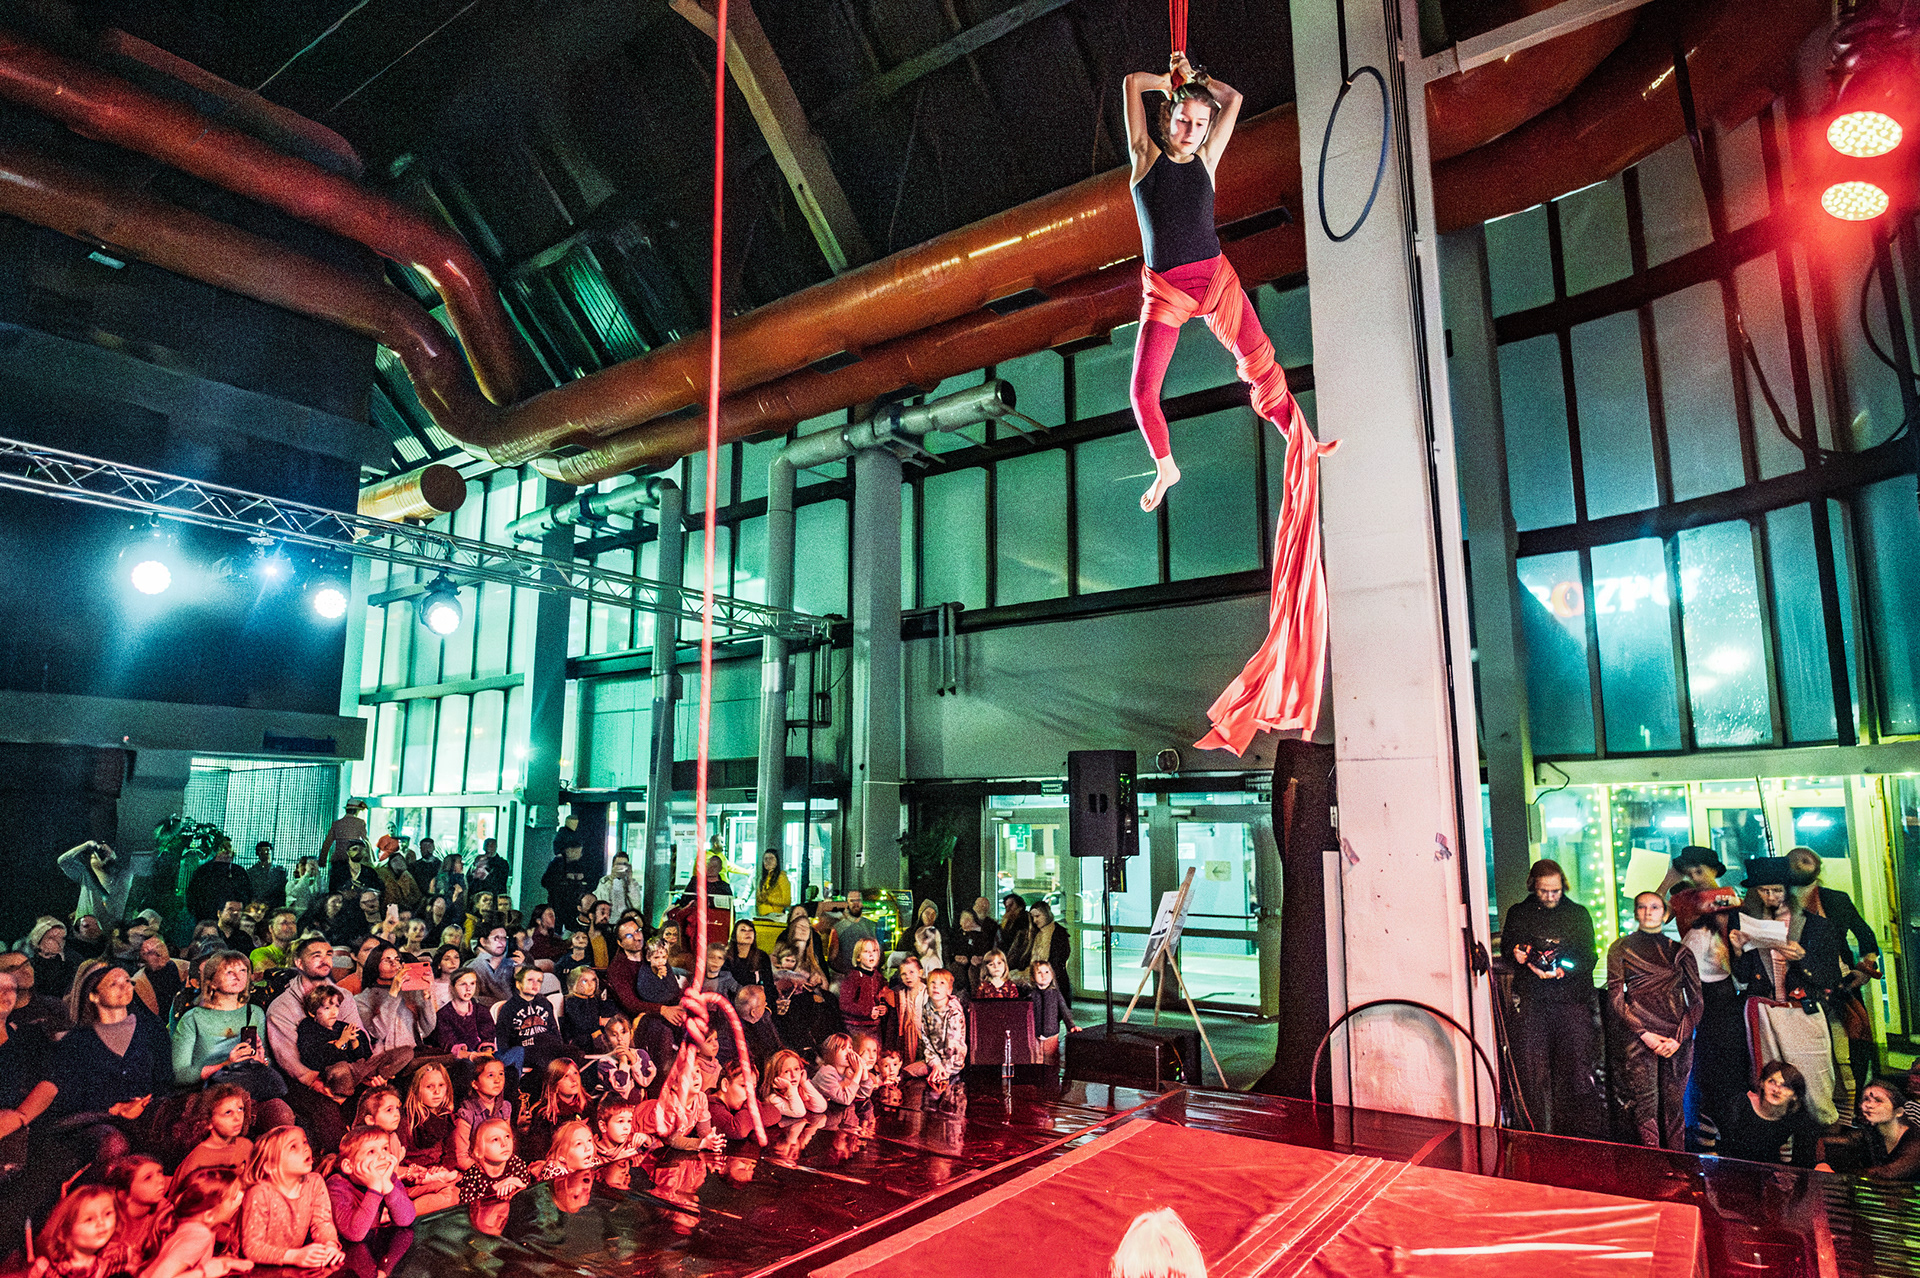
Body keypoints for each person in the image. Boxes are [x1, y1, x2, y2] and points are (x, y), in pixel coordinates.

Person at [1732, 856, 1843, 1126]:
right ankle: (1778, 1137)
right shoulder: (1746, 923)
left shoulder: (1816, 926)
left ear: (1788, 890)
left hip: (1802, 1010)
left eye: (1777, 890)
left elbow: (1832, 976)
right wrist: (1737, 952)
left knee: (1813, 1079)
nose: (1771, 896)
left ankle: (1818, 1136)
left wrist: (1802, 959)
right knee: (1771, 1081)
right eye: (1764, 890)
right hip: (1764, 1010)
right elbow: (1742, 979)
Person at [1500, 859, 1602, 1138]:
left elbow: (1589, 956)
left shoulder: (1577, 914)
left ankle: (1575, 1135)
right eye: (1543, 891)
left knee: (1575, 1071)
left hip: (1571, 1000)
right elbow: (1509, 948)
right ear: (1533, 886)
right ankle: (1538, 1133)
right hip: (1533, 1001)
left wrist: (1563, 970)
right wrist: (1518, 955)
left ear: (1563, 886)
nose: (1550, 896)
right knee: (1533, 1073)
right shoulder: (1519, 913)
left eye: (1555, 891)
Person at [1788, 845, 1882, 1119]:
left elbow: (1866, 936)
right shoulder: (1778, 900)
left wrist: (1866, 968)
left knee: (1853, 1049)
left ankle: (1850, 1116)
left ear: (1818, 865)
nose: (1801, 861)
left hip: (1841, 985)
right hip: (1799, 989)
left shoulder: (1836, 899)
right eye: (1795, 859)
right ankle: (1814, 1115)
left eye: (1806, 858)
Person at [48, 964, 173, 1166]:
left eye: (128, 981)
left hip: (149, 1111)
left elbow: (164, 1078)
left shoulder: (151, 1028)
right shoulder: (77, 1041)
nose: (124, 987)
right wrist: (115, 1109)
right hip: (99, 1119)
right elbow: (68, 1094)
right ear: (94, 996)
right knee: (113, 1143)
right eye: (114, 984)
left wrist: (145, 1103)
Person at [1605, 892, 1701, 1151]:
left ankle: (1677, 1160)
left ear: (1665, 913)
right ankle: (1652, 1161)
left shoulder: (1681, 952)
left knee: (1674, 1103)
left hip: (1675, 1035)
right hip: (1638, 1034)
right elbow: (1616, 998)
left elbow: (1696, 1002)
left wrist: (1678, 1038)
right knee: (1644, 1102)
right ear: (1635, 912)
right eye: (1642, 907)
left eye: (1655, 907)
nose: (1648, 912)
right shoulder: (1620, 948)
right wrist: (1643, 1034)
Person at [173, 952, 293, 1127]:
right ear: (212, 981)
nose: (238, 976)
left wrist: (261, 1060)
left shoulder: (254, 1012)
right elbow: (180, 1074)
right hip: (209, 1096)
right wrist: (226, 1063)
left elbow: (267, 1061)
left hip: (250, 1089)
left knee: (281, 1113)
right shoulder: (193, 1018)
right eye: (229, 972)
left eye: (243, 971)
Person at [236, 1126, 343, 1268]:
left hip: (290, 1268)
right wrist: (293, 1256)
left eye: (304, 1142)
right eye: (293, 1147)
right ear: (271, 1166)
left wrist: (329, 1245)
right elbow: (252, 1247)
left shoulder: (315, 1182)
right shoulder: (260, 1193)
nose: (306, 1148)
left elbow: (322, 1223)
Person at [325, 1126, 418, 1252]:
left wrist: (387, 1185)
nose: (383, 1156)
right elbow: (354, 1234)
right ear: (348, 1166)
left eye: (385, 1148)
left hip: (371, 1247)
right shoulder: (337, 1186)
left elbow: (407, 1219)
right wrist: (374, 1189)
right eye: (371, 1152)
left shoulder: (387, 1179)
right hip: (345, 1253)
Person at [1715, 1060, 1820, 1167]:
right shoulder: (1739, 1106)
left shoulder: (1801, 1123)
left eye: (1786, 1086)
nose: (1777, 1090)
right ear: (1761, 1083)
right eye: (1772, 1082)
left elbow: (1804, 1166)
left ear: (1795, 1096)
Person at [1819, 1077, 1920, 1182]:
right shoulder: (1870, 1132)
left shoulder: (1915, 1139)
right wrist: (1821, 1161)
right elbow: (1839, 1141)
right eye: (1866, 1099)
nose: (1868, 1105)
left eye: (1878, 1101)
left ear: (1898, 1111)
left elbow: (1889, 1172)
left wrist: (1840, 1176)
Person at [57, 840, 135, 931]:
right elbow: (63, 861)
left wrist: (111, 858)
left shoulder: (123, 879)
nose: (100, 855)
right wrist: (86, 845)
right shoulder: (86, 876)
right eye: (94, 856)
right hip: (83, 933)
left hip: (107, 934)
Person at [454, 1117, 529, 1204]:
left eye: (507, 1137)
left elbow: (528, 1198)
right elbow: (470, 1207)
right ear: (479, 1150)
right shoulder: (473, 1176)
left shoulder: (516, 1163)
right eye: (495, 1139)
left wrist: (519, 1185)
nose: (504, 1144)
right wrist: (495, 1188)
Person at [185, 847, 253, 931]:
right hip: (214, 919)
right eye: (224, 849)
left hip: (212, 919)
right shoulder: (204, 871)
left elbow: (192, 896)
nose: (227, 852)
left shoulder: (203, 870)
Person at [920, 968, 968, 1084]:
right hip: (934, 1061)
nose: (936, 986)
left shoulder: (954, 1011)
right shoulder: (926, 1009)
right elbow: (925, 1039)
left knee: (938, 1084)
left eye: (942, 983)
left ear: (949, 990)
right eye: (932, 982)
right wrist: (935, 1063)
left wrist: (944, 1070)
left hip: (952, 1063)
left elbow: (954, 1046)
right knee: (907, 1072)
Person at [1019, 901, 1072, 999]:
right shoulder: (1037, 933)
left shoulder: (1059, 933)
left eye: (1038, 916)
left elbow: (1059, 959)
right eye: (1033, 917)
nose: (1035, 920)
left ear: (1046, 914)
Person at [1030, 959, 1079, 1064]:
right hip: (1034, 1036)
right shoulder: (1031, 995)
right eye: (1039, 972)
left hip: (1051, 1035)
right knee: (1035, 1061)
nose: (1043, 975)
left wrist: (1071, 1026)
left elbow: (1064, 1010)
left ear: (1052, 974)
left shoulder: (1055, 994)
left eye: (1047, 972)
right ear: (1032, 977)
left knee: (1051, 1061)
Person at [321, 801, 370, 894]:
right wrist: (370, 859)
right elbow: (365, 841)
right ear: (356, 811)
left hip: (338, 859)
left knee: (336, 887)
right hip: (354, 859)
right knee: (353, 888)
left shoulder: (337, 824)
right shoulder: (360, 823)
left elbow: (327, 843)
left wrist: (322, 860)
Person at [825, 888, 876, 976]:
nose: (856, 903)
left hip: (867, 975)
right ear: (847, 903)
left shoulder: (871, 925)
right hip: (846, 975)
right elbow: (832, 958)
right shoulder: (838, 928)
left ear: (862, 902)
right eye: (852, 900)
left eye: (858, 900)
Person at [541, 831, 591, 918]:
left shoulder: (579, 865)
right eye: (577, 850)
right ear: (569, 850)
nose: (580, 854)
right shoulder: (557, 864)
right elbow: (545, 882)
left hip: (576, 907)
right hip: (559, 907)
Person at [465, 925, 516, 1008]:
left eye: (504, 938)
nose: (502, 942)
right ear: (483, 942)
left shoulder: (512, 963)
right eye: (496, 938)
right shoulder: (472, 968)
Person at [594, 854, 641, 926]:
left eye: (624, 864)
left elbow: (636, 905)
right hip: (609, 921)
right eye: (618, 864)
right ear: (613, 866)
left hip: (626, 921)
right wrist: (612, 879)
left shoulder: (632, 883)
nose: (621, 867)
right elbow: (602, 902)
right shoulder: (604, 881)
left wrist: (629, 880)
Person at [244, 844, 285, 914]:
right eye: (263, 851)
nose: (266, 853)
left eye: (268, 851)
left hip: (275, 908)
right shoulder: (251, 872)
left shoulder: (280, 871)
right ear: (258, 854)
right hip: (257, 907)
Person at [755, 850, 791, 919]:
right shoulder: (762, 878)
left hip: (776, 917)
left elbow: (787, 901)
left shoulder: (781, 877)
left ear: (777, 862)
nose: (768, 861)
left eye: (771, 858)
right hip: (762, 916)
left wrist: (768, 899)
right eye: (766, 859)